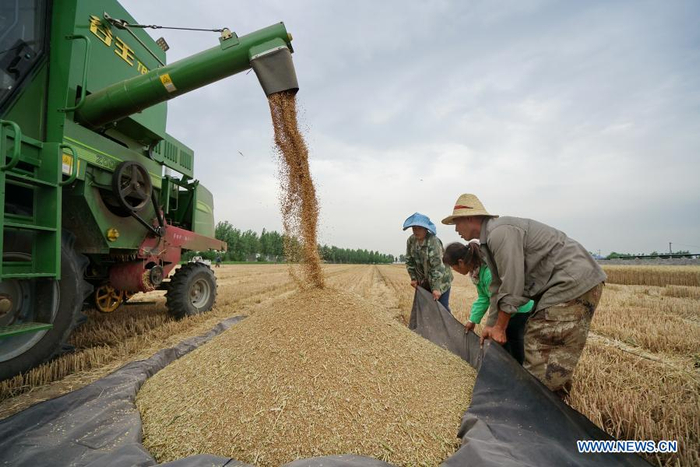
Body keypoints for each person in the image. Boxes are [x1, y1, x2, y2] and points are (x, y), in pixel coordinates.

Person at [442, 194, 606, 398]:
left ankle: (536, 416)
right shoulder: (490, 240)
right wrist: (491, 325)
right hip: (567, 283)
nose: (456, 230)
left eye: (456, 223)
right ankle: (553, 410)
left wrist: (501, 327)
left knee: (541, 349)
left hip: (570, 282)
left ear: (469, 218)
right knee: (553, 361)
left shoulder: (499, 233)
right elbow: (496, 287)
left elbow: (512, 283)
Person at [442, 241, 534, 365]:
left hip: (519, 310)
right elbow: (484, 298)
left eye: (453, 267)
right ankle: (507, 370)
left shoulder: (488, 273)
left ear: (460, 262)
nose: (454, 270)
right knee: (503, 343)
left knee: (515, 344)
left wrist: (493, 326)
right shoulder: (476, 273)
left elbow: (498, 301)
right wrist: (472, 320)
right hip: (506, 310)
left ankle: (519, 373)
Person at [403, 212, 453, 312]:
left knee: (441, 308)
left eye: (419, 228)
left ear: (426, 229)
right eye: (414, 228)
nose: (416, 231)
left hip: (441, 280)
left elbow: (437, 266)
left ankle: (446, 327)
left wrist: (436, 288)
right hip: (424, 281)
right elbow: (409, 260)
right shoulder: (411, 241)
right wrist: (413, 278)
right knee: (424, 309)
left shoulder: (433, 241)